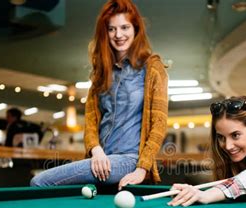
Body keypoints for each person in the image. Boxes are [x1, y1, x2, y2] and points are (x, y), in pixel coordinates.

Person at [30, 0, 168, 189]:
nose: (118, 35)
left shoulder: (152, 68)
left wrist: (142, 168)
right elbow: (91, 122)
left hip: (129, 161)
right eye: (112, 29)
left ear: (136, 29)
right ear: (105, 33)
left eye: (125, 27)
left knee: (40, 181)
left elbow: (158, 125)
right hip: (100, 160)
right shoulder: (101, 73)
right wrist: (96, 151)